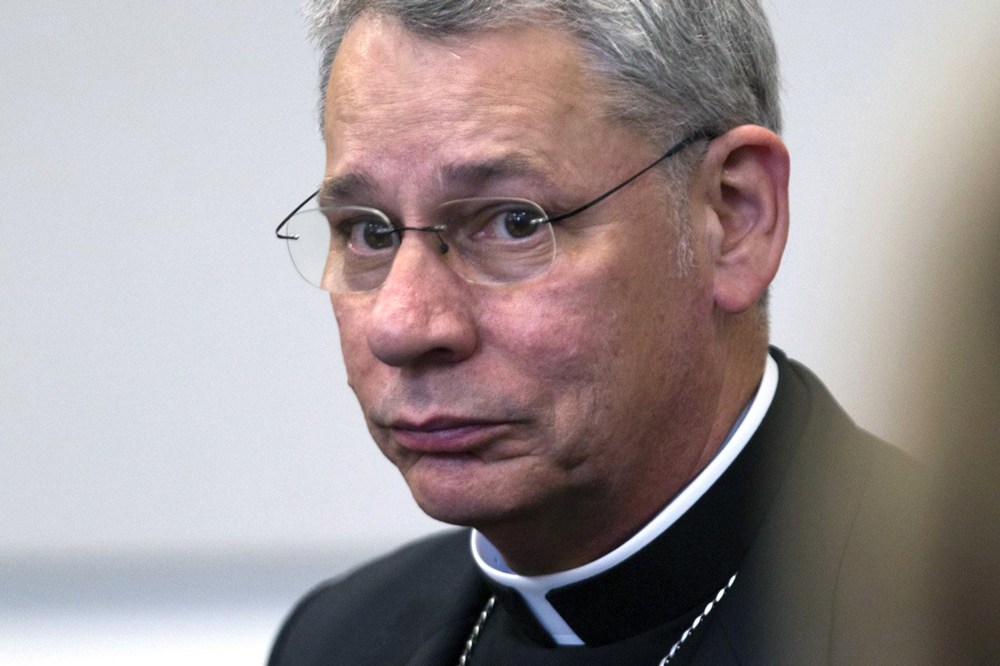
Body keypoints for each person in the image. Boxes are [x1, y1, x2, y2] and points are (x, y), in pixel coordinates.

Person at [269, 1, 930, 663]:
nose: (401, 326)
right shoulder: (337, 641)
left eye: (514, 222)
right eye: (369, 231)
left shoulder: (952, 618)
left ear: (734, 219)